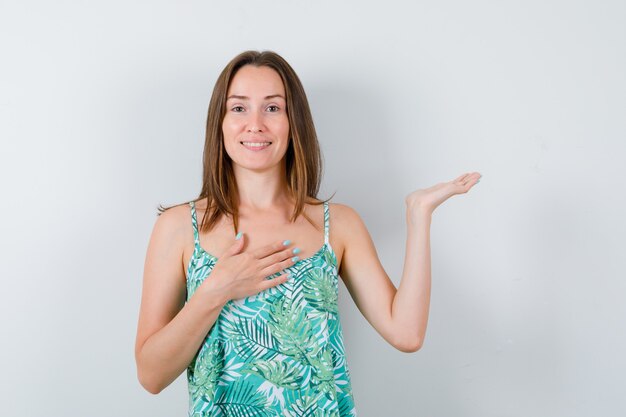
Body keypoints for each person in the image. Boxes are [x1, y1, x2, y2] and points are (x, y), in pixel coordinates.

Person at [134, 50, 481, 416]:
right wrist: (216, 290)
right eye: (238, 108)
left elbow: (406, 333)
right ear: (219, 123)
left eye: (272, 108)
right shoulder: (178, 228)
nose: (255, 124)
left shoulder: (338, 225)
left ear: (293, 121)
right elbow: (151, 375)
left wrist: (419, 216)